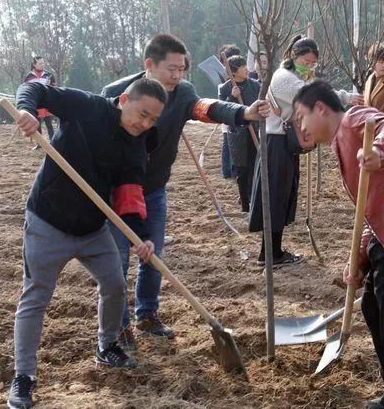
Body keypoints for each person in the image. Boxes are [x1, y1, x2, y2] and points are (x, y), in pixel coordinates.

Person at [101, 34, 270, 351]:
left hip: (153, 190)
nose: (177, 75)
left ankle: (147, 313)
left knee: (154, 255)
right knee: (117, 260)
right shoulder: (116, 95)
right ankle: (119, 326)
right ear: (149, 65)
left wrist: (242, 113)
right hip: (116, 191)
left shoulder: (183, 94)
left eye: (182, 69)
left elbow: (206, 108)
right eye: (171, 69)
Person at [6, 78, 165, 409]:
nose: (145, 124)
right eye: (143, 114)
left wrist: (141, 237)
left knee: (115, 284)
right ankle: (24, 376)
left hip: (93, 230)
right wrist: (26, 111)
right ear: (124, 99)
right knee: (35, 296)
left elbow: (130, 193)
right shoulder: (87, 106)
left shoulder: (137, 145)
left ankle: (106, 346)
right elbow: (36, 90)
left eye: (153, 119)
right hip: (47, 222)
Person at [293, 80, 384, 409]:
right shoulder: (339, 144)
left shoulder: (353, 119)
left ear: (320, 108)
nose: (300, 127)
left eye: (301, 117)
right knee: (373, 309)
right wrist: (358, 261)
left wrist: (379, 151)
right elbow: (370, 210)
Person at [249, 35, 363, 267]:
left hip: (285, 144)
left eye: (313, 63)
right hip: (276, 143)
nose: (309, 66)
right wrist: (345, 97)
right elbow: (313, 96)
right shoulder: (284, 78)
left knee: (282, 197)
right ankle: (269, 254)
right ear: (294, 56)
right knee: (275, 197)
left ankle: (274, 251)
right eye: (305, 61)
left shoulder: (295, 76)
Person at [219, 55, 260, 212]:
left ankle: (254, 199)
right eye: (243, 68)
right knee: (242, 170)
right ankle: (244, 204)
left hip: (255, 131)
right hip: (237, 135)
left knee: (255, 167)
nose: (247, 70)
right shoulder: (225, 88)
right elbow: (222, 112)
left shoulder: (255, 85)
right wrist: (232, 97)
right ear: (234, 71)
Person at [218, 44, 242, 179]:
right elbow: (222, 104)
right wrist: (232, 95)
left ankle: (233, 171)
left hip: (241, 118)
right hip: (228, 119)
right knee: (227, 143)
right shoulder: (224, 85)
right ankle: (227, 171)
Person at [23, 56, 57, 139]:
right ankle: (39, 144)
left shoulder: (49, 75)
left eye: (43, 63)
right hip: (36, 104)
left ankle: (53, 142)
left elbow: (55, 89)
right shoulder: (29, 77)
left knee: (49, 124)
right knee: (37, 125)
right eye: (40, 63)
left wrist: (49, 86)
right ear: (34, 64)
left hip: (47, 104)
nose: (43, 65)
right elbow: (27, 90)